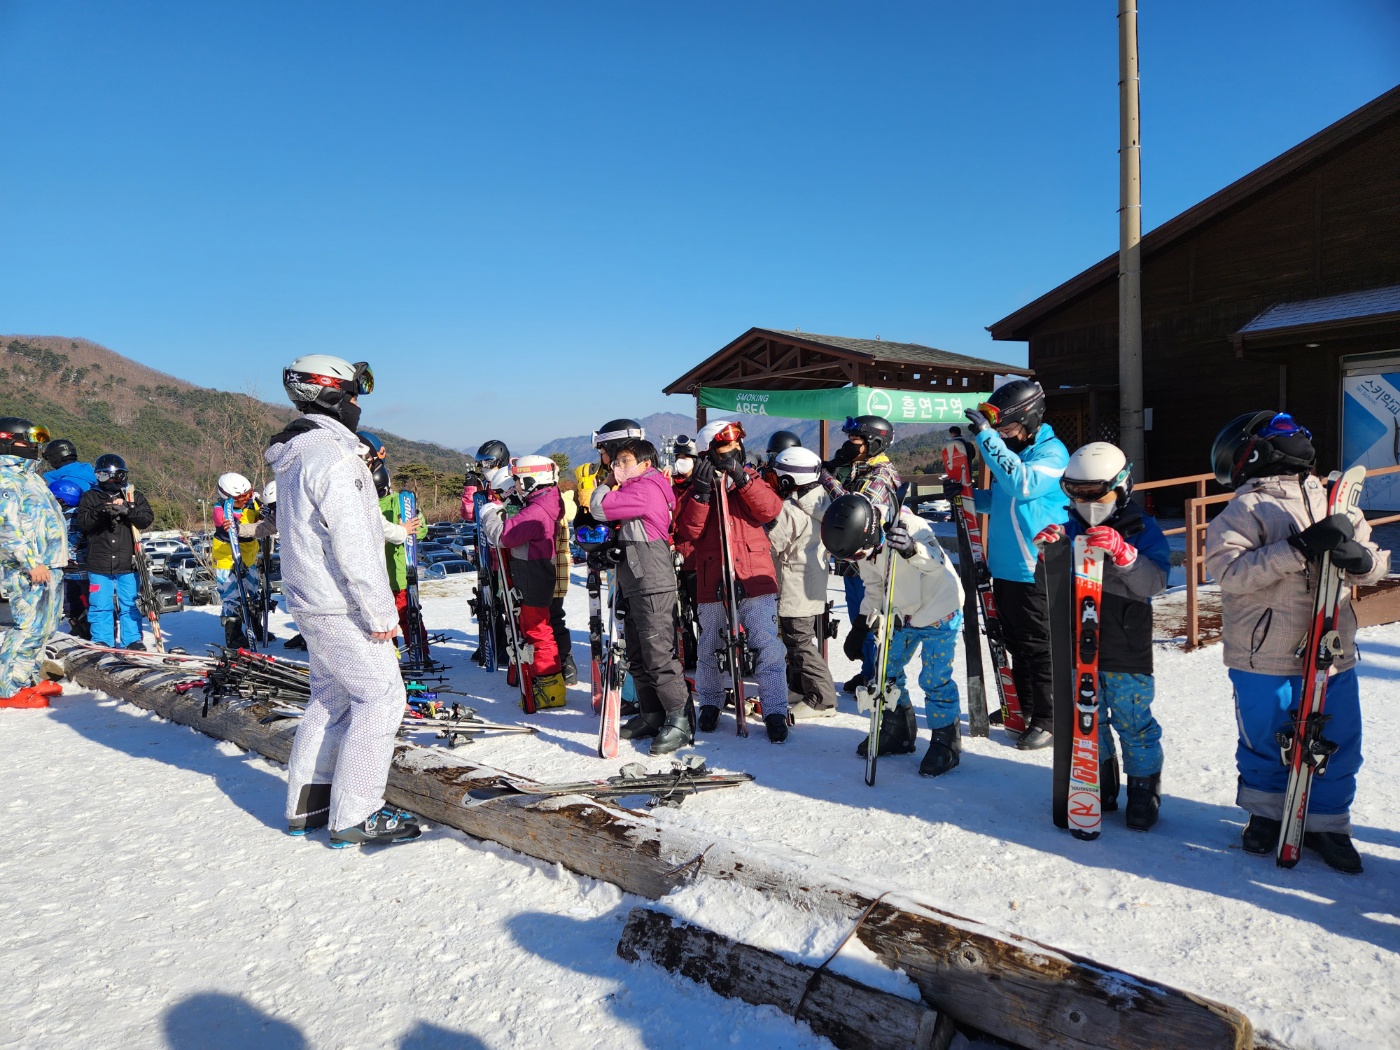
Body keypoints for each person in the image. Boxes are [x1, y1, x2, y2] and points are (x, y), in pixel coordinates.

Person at [1204, 411, 1388, 873]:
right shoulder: (1244, 510)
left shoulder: (1336, 502)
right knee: (1265, 739)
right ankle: (1267, 815)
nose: (1293, 437)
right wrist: (1297, 549)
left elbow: (1376, 559)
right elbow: (1229, 572)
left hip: (1331, 652)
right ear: (1251, 451)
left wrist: (1363, 562)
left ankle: (1327, 823)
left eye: (1294, 429)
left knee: (1338, 740)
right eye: (1280, 432)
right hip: (1262, 654)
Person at [266, 353, 421, 847]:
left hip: (309, 598)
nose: (358, 405)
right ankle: (357, 813)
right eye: (355, 394)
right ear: (333, 395)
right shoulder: (336, 458)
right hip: (340, 602)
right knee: (382, 698)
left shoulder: (296, 455)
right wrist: (380, 612)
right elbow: (355, 545)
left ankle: (307, 802)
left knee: (329, 697)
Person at [1034, 442, 1170, 828]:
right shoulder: (1069, 529)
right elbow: (1046, 590)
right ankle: (1097, 778)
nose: (1088, 504)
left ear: (1122, 486)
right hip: (1079, 641)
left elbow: (1155, 582)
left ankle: (1143, 787)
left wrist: (1126, 556)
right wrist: (1048, 559)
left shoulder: (1142, 529)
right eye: (1077, 495)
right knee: (1087, 715)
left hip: (1126, 641)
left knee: (1132, 717)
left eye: (1097, 494)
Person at [956, 380, 1069, 750]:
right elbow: (999, 499)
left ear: (1031, 419)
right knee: (1015, 644)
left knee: (1039, 646)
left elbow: (1022, 484)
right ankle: (1024, 707)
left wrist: (988, 438)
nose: (1004, 437)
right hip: (1004, 567)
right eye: (1000, 432)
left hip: (1035, 567)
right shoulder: (1017, 453)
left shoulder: (1052, 453)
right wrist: (967, 495)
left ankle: (1050, 718)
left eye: (1008, 430)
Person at [823, 492, 965, 772]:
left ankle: (945, 741)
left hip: (938, 611)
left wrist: (912, 549)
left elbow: (936, 563)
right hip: (901, 612)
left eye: (857, 555)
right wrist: (861, 624)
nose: (858, 559)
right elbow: (874, 584)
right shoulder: (864, 543)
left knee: (934, 678)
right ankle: (898, 728)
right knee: (885, 671)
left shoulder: (910, 527)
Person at [673, 419, 788, 742]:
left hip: (754, 574)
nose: (733, 451)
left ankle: (775, 709)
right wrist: (701, 494)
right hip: (712, 576)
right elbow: (687, 531)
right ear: (707, 453)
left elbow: (770, 509)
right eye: (725, 447)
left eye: (736, 446)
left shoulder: (750, 478)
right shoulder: (695, 487)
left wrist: (742, 478)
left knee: (767, 645)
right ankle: (710, 702)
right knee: (709, 645)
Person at [590, 437, 693, 752]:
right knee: (637, 653)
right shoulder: (638, 489)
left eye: (625, 461)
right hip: (635, 580)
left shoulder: (645, 488)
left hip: (651, 581)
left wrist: (608, 481)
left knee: (658, 653)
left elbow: (598, 507)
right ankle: (652, 713)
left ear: (646, 464)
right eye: (616, 461)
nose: (618, 467)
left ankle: (680, 719)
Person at [479, 455, 568, 710]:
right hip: (534, 572)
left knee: (537, 631)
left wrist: (489, 515)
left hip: (532, 575)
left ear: (532, 480)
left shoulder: (536, 511)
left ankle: (551, 689)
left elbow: (503, 536)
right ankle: (543, 681)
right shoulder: (544, 503)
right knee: (535, 630)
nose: (516, 486)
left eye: (519, 481)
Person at [820, 415, 899, 695]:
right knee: (859, 618)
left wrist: (826, 479)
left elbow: (855, 507)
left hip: (872, 563)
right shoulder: (859, 468)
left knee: (872, 620)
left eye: (856, 439)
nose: (850, 444)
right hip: (854, 564)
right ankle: (868, 671)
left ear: (874, 443)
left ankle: (881, 675)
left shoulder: (881, 474)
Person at [766, 446, 839, 720]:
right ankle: (798, 687)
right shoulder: (822, 501)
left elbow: (772, 545)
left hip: (794, 584)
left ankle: (823, 699)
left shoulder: (792, 510)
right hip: (812, 582)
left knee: (799, 642)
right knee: (795, 640)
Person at [0, 418, 67, 708]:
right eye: (30, 439)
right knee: (28, 628)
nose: (35, 445)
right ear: (8, 440)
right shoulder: (5, 478)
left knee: (45, 628)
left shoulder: (31, 477)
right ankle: (7, 689)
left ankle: (26, 678)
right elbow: (6, 529)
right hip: (28, 569)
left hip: (49, 565)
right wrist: (30, 562)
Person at [75, 454, 155, 651]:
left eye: (115, 476)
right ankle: (102, 639)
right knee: (100, 604)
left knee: (130, 603)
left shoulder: (133, 496)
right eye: (104, 476)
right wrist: (102, 511)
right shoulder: (91, 496)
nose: (110, 480)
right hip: (99, 562)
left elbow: (146, 519)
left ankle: (132, 639)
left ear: (123, 475)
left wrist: (128, 510)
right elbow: (83, 522)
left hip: (128, 561)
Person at [359, 432, 429, 647]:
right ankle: (390, 652)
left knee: (407, 614)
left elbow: (421, 530)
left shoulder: (399, 501)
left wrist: (414, 523)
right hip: (376, 576)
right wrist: (398, 531)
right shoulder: (363, 505)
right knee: (382, 621)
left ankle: (419, 649)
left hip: (399, 574)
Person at [210, 472, 267, 647]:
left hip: (249, 557)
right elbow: (225, 523)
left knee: (254, 594)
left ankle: (256, 627)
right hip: (227, 558)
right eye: (240, 497)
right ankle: (233, 635)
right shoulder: (220, 509)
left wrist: (264, 512)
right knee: (232, 597)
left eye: (248, 494)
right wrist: (232, 522)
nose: (245, 500)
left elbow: (262, 516)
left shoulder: (252, 503)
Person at [47, 476, 91, 639]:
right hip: (71, 569)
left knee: (78, 601)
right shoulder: (65, 514)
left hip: (76, 567)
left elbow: (73, 538)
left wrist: (64, 556)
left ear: (60, 499)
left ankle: (87, 631)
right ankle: (80, 629)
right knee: (71, 602)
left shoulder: (72, 515)